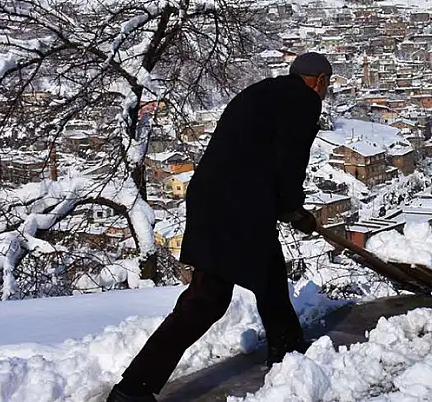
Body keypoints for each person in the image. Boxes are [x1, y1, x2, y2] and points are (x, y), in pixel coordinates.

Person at [107, 52, 333, 402]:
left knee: (256, 281)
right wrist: (292, 208)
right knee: (215, 297)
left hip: (211, 199)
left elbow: (252, 153)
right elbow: (289, 161)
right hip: (240, 209)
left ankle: (286, 353)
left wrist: (282, 207)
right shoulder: (303, 101)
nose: (324, 91)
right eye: (325, 85)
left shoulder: (263, 92)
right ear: (319, 81)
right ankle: (133, 387)